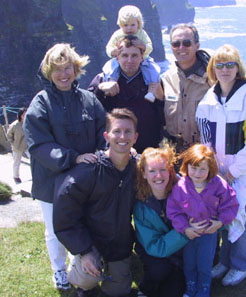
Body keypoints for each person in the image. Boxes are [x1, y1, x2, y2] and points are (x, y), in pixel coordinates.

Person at [23, 43, 106, 290]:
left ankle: (77, 265)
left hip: (85, 181)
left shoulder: (89, 100)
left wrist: (102, 156)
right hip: (51, 182)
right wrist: (72, 158)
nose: (63, 74)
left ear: (76, 69)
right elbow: (38, 145)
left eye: (68, 67)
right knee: (54, 230)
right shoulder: (41, 103)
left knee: (82, 223)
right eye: (57, 69)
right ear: (48, 72)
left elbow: (104, 133)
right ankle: (58, 270)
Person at [196, 44, 246, 286]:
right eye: (220, 64)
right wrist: (214, 173)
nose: (225, 69)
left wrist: (230, 174)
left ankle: (239, 266)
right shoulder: (209, 99)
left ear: (238, 68)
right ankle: (225, 262)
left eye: (230, 64)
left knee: (242, 221)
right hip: (220, 175)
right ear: (212, 69)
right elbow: (205, 139)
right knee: (226, 219)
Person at [53, 108, 138, 297]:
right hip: (90, 243)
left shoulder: (138, 168)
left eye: (128, 132)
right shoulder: (88, 171)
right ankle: (80, 271)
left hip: (120, 246)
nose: (122, 136)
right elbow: (65, 218)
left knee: (119, 291)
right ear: (106, 136)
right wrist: (84, 250)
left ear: (135, 137)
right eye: (117, 131)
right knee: (86, 279)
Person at [160, 23, 246, 152]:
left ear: (197, 45)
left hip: (205, 153)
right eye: (176, 44)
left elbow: (242, 85)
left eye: (186, 43)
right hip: (175, 151)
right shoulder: (166, 79)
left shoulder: (215, 75)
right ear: (171, 47)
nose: (181, 47)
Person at [167, 144, 239, 297]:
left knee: (205, 264)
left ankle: (204, 289)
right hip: (188, 234)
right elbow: (174, 210)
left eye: (203, 169)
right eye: (193, 168)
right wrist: (185, 228)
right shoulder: (181, 186)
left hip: (208, 233)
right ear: (186, 167)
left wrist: (220, 222)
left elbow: (231, 204)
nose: (197, 173)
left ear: (210, 169)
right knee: (189, 263)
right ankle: (191, 287)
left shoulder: (218, 184)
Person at [89, 35, 164, 154]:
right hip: (114, 151)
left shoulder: (153, 81)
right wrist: (100, 89)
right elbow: (89, 112)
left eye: (134, 55)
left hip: (148, 150)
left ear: (142, 58)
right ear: (117, 58)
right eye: (125, 55)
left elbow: (165, 119)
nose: (130, 60)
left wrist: (161, 100)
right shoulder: (104, 79)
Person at [133, 144, 189, 297]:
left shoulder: (184, 193)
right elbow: (154, 246)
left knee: (172, 291)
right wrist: (185, 234)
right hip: (156, 252)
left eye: (163, 170)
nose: (158, 176)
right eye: (152, 171)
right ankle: (146, 288)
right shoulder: (141, 206)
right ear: (143, 174)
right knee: (159, 271)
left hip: (181, 253)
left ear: (170, 171)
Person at [103, 5, 160, 102]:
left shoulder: (141, 33)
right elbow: (109, 47)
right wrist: (113, 52)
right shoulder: (118, 34)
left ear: (138, 24)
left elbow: (150, 47)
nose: (129, 28)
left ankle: (151, 92)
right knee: (110, 67)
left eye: (132, 25)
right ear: (120, 25)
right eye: (125, 25)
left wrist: (143, 46)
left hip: (144, 59)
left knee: (153, 71)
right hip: (119, 60)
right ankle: (111, 82)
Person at [6, 107, 27, 184]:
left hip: (27, 146)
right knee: (17, 162)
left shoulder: (28, 123)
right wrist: (13, 143)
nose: (25, 116)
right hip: (17, 147)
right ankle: (16, 177)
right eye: (24, 115)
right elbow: (8, 135)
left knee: (33, 159)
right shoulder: (15, 125)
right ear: (20, 115)